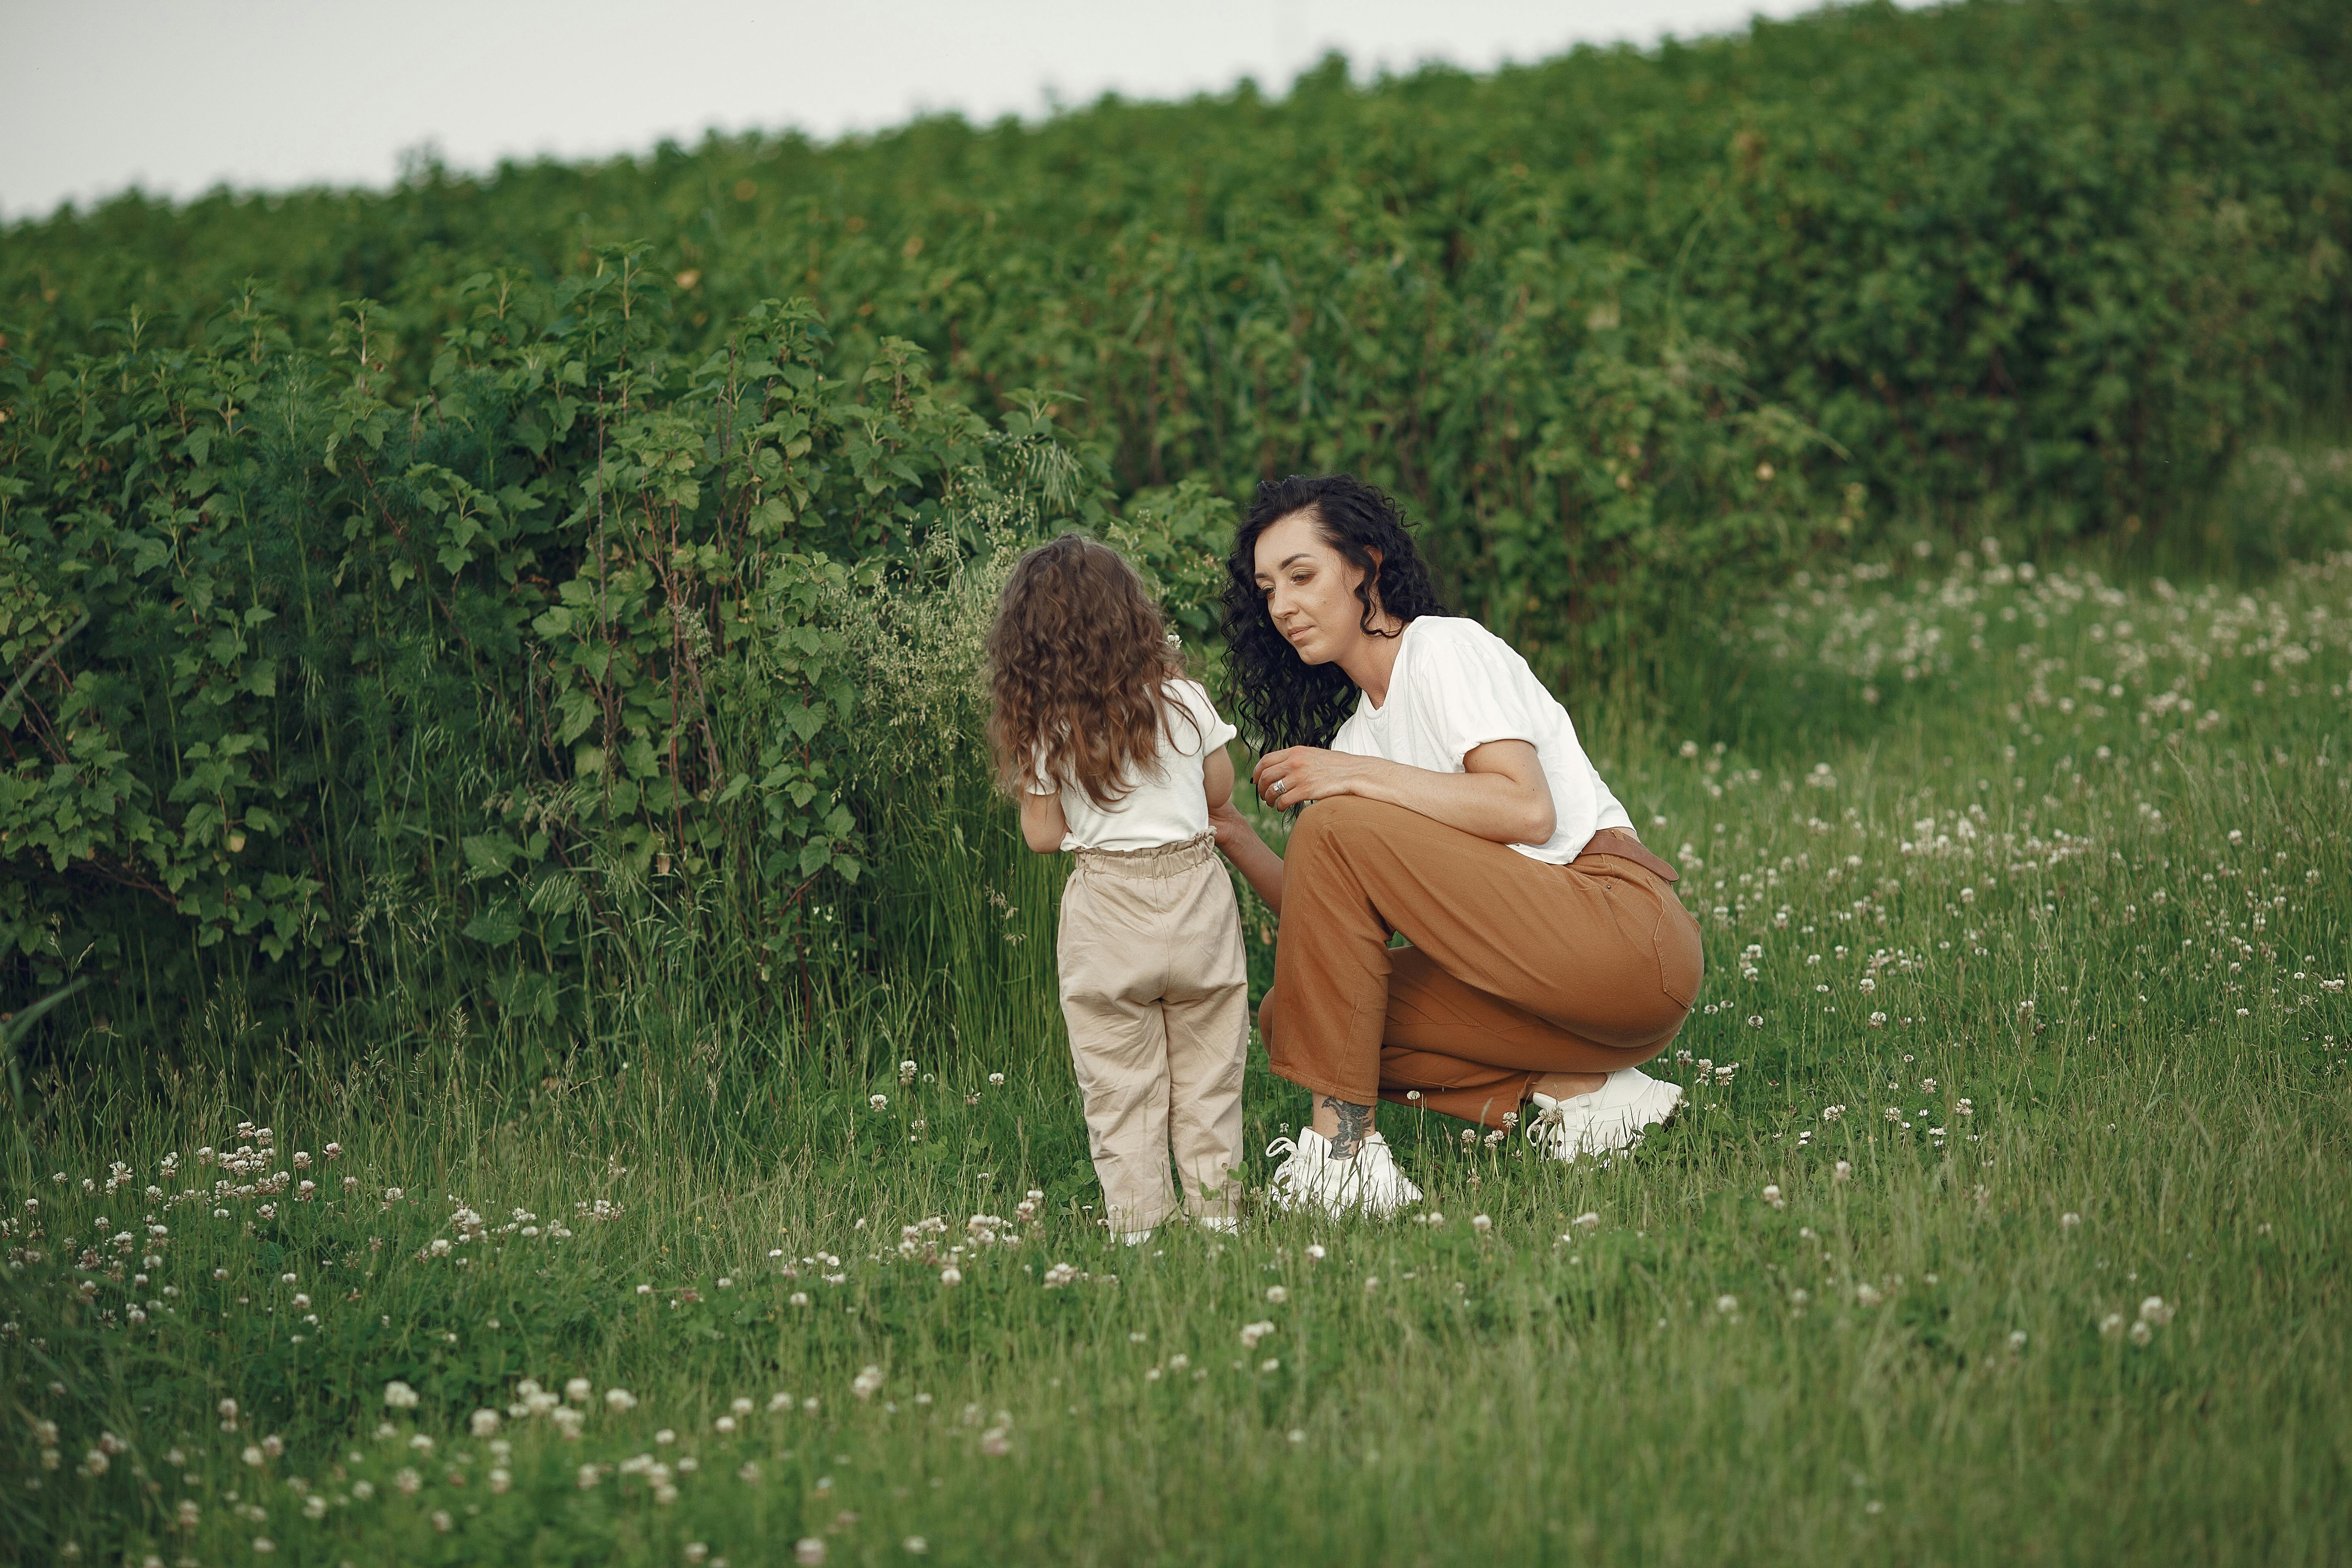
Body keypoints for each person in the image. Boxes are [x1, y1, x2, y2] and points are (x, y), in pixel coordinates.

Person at [1210, 474, 1702, 1216]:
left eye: (1302, 576)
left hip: (1621, 933)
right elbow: (1330, 926)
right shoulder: (1358, 738)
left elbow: (1526, 808)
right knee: (1295, 1015)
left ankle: (1343, 1160)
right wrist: (1234, 834)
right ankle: (1589, 1093)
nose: (1282, 606)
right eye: (1268, 588)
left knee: (1334, 823)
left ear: (1365, 567)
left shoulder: (1443, 648)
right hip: (1540, 979)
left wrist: (1350, 778)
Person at [987, 534, 1251, 1245]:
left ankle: (1139, 1228)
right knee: (1210, 1072)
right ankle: (1219, 1217)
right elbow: (1220, 789)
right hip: (1196, 897)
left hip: (1108, 910)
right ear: (1134, 615)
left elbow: (1043, 838)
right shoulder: (1185, 699)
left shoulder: (1051, 728)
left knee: (1119, 1079)